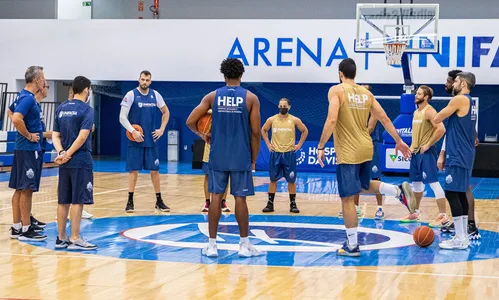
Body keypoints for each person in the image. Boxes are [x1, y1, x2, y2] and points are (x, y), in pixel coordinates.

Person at [317, 58, 415, 257]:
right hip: (366, 147)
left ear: (340, 73)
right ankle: (396, 191)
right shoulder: (366, 93)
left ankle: (352, 245)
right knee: (362, 186)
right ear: (355, 73)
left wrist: (320, 146)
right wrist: (398, 140)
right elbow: (385, 118)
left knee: (346, 198)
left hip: (348, 150)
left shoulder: (336, 90)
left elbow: (332, 118)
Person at [186, 58, 261, 258]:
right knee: (240, 199)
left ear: (224, 75)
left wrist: (204, 135)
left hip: (218, 155)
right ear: (241, 75)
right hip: (240, 156)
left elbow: (190, 121)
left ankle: (211, 246)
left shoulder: (212, 96)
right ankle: (244, 245)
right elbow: (255, 133)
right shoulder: (251, 98)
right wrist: (253, 159)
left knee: (215, 199)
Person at [52, 76, 97, 250]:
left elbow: (56, 135)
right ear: (86, 90)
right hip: (80, 160)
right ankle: (75, 238)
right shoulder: (87, 109)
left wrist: (61, 153)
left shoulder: (61, 107)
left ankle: (61, 238)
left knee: (63, 200)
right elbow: (83, 136)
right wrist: (69, 154)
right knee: (78, 200)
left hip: (64, 162)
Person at [433, 72, 477, 249]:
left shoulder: (459, 99)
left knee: (452, 193)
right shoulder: (470, 101)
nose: (453, 84)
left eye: (457, 81)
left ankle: (460, 238)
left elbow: (437, 118)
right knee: (459, 193)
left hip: (458, 153)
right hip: (465, 153)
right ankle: (463, 235)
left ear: (464, 83)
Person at [119, 70, 170, 213]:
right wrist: (133, 131)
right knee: (133, 171)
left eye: (147, 80)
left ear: (150, 81)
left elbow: (166, 112)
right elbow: (122, 117)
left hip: (151, 140)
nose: (144, 82)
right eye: (142, 79)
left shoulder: (156, 95)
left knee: (155, 171)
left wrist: (161, 129)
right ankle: (130, 201)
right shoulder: (130, 95)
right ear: (138, 80)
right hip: (135, 140)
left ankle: (159, 201)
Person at [401, 85, 448, 227]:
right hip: (416, 152)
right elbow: (417, 133)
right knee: (416, 184)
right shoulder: (417, 112)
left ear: (426, 97)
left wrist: (427, 144)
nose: (416, 95)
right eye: (417, 93)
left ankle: (443, 216)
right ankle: (415, 212)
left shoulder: (430, 111)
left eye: (419, 94)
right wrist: (411, 148)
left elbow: (441, 129)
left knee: (433, 183)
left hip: (427, 152)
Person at [9, 66, 47, 241]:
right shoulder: (29, 99)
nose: (45, 81)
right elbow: (16, 118)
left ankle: (17, 227)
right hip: (27, 149)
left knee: (20, 188)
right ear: (37, 79)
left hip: (22, 148)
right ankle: (25, 229)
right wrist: (29, 135)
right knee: (26, 190)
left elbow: (11, 111)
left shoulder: (22, 96)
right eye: (43, 78)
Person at [338, 84, 384, 219]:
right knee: (355, 177)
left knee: (376, 178)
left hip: (371, 144)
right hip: (358, 144)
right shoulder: (356, 108)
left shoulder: (374, 109)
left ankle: (380, 208)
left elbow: (369, 129)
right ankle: (356, 208)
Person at [261, 98, 308, 213]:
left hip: (289, 154)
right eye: (281, 106)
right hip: (275, 153)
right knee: (273, 179)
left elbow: (305, 131)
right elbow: (263, 130)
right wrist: (268, 144)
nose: (282, 108)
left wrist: (299, 145)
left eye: (285, 106)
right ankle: (270, 204)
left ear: (289, 107)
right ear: (278, 106)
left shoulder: (294, 120)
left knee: (291, 180)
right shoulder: (272, 119)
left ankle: (293, 204)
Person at [201, 110, 230, 213]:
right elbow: (201, 113)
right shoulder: (209, 114)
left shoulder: (227, 115)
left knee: (225, 176)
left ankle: (223, 201)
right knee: (208, 176)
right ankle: (207, 202)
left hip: (224, 149)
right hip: (210, 149)